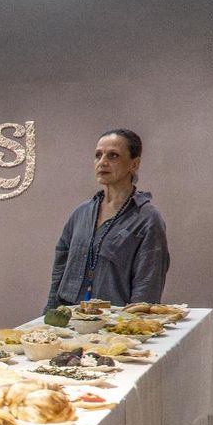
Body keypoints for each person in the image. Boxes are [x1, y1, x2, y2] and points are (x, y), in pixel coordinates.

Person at [45, 128, 169, 310]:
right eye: (98, 155)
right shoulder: (80, 214)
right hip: (69, 318)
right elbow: (59, 270)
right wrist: (49, 315)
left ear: (134, 164)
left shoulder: (147, 219)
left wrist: (134, 322)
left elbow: (148, 284)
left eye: (113, 156)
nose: (102, 162)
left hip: (115, 321)